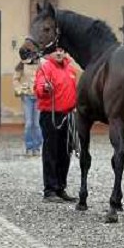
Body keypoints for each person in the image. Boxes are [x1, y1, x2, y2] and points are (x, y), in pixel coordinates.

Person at [34, 46, 78, 203]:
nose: (59, 53)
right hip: (51, 115)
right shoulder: (46, 68)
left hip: (68, 116)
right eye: (56, 51)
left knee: (65, 153)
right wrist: (45, 88)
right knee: (51, 152)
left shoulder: (71, 69)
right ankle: (50, 190)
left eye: (62, 50)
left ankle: (60, 187)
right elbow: (38, 88)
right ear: (51, 53)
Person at [13, 47, 43, 156]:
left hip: (38, 96)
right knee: (29, 123)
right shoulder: (21, 65)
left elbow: (46, 77)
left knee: (37, 124)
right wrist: (20, 90)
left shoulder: (40, 64)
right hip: (27, 97)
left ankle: (37, 147)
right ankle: (29, 147)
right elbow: (15, 79)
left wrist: (43, 88)